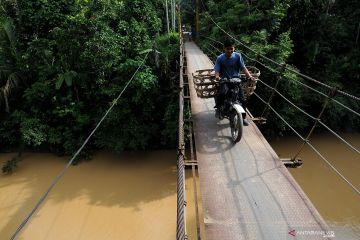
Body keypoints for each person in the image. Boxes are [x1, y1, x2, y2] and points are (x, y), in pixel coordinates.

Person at [214, 38, 255, 126]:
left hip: (236, 80)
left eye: (231, 48)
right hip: (225, 80)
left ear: (234, 48)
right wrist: (217, 76)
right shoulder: (220, 58)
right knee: (222, 94)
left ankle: (243, 118)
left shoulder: (238, 56)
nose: (230, 51)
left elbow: (243, 67)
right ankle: (218, 109)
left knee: (243, 100)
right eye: (228, 49)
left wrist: (249, 76)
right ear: (224, 48)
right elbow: (217, 69)